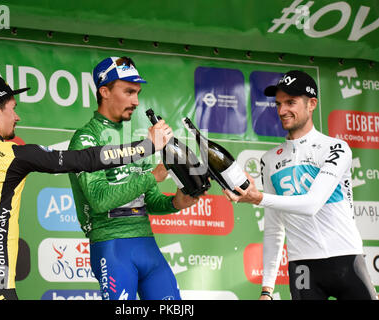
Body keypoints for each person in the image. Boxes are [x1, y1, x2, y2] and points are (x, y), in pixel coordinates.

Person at [0, 68, 173, 300]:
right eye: (13, 109)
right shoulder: (11, 155)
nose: (17, 116)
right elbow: (84, 158)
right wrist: (145, 147)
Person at [223, 70, 378, 300]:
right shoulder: (270, 160)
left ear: (311, 103)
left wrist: (258, 198)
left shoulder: (335, 148)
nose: (282, 110)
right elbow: (275, 228)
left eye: (291, 102)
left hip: (346, 257)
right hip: (303, 266)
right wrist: (267, 289)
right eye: (278, 104)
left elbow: (312, 203)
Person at [68, 56, 199, 300]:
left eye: (137, 93)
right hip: (112, 245)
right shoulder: (86, 139)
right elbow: (99, 200)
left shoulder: (140, 138)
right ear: (104, 91)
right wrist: (155, 174)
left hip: (147, 244)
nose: (136, 101)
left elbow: (150, 201)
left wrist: (177, 202)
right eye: (129, 92)